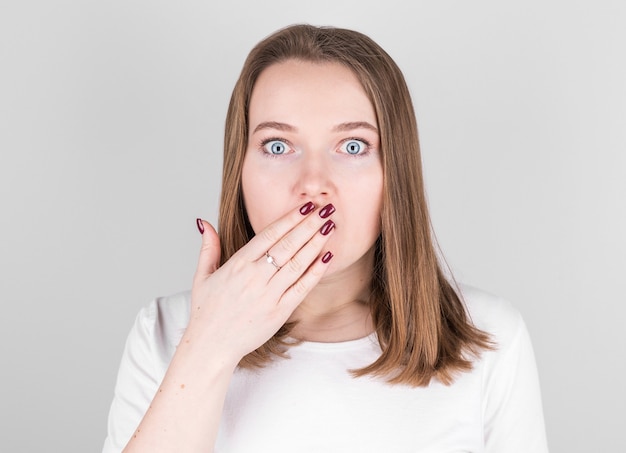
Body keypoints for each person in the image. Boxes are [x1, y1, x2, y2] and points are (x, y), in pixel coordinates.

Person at [103, 24, 549, 453]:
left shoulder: (491, 338)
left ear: (396, 173)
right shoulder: (162, 332)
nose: (313, 184)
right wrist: (208, 346)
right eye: (278, 146)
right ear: (238, 170)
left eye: (353, 147)